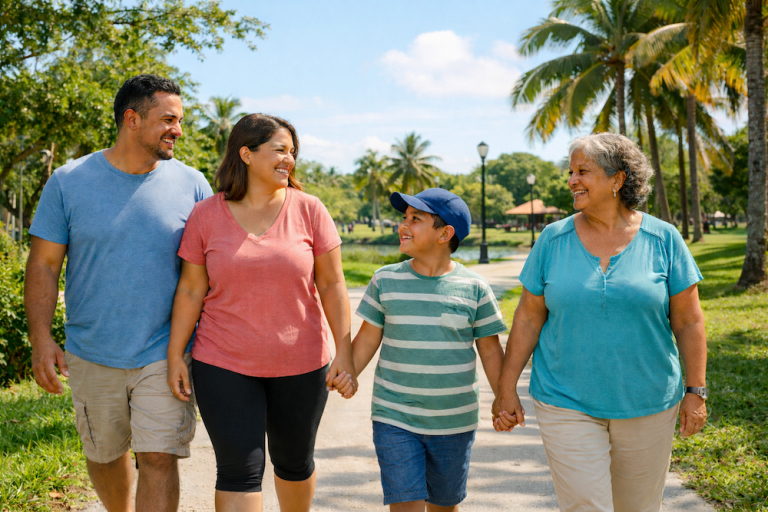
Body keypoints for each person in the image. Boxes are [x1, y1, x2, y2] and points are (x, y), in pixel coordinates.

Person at [25, 74, 213, 512]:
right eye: (168, 119)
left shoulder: (193, 184)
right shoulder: (69, 182)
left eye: (180, 120)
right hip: (92, 350)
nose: (178, 131)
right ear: (132, 119)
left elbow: (207, 270)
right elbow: (44, 264)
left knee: (159, 457)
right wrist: (40, 338)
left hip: (164, 352)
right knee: (104, 455)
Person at [493, 133, 708, 512]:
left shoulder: (664, 239)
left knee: (637, 507)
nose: (571, 180)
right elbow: (527, 318)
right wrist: (506, 389)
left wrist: (696, 391)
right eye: (570, 171)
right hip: (565, 399)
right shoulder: (552, 239)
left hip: (648, 399)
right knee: (586, 505)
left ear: (617, 179)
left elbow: (689, 322)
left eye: (583, 171)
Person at [166, 113, 355, 512]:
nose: (289, 159)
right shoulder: (206, 215)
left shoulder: (310, 210)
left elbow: (333, 285)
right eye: (280, 150)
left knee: (294, 463)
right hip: (223, 362)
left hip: (302, 363)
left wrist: (345, 351)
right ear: (246, 154)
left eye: (293, 152)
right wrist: (174, 354)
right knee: (238, 469)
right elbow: (190, 289)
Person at [352, 188, 507, 512]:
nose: (403, 225)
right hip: (395, 415)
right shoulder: (385, 280)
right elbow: (367, 338)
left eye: (416, 218)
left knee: (444, 506)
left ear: (445, 233)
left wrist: (504, 398)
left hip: (454, 421)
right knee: (405, 503)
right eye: (404, 217)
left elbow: (490, 351)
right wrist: (347, 372)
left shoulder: (474, 287)